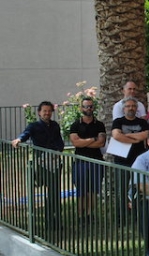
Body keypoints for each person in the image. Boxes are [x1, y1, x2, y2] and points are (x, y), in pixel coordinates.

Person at [12, 101, 65, 237]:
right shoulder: (34, 126)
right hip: (41, 162)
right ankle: (41, 222)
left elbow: (59, 142)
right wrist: (19, 140)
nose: (47, 113)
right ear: (39, 112)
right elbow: (26, 134)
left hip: (54, 161)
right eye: (44, 111)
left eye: (49, 111)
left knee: (54, 193)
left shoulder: (55, 125)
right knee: (44, 188)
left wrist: (58, 150)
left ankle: (55, 222)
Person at [111, 97, 149, 225]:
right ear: (123, 108)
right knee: (121, 190)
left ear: (137, 108)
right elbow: (116, 135)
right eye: (128, 106)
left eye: (133, 106)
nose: (131, 108)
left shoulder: (143, 122)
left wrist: (125, 136)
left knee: (139, 189)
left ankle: (137, 216)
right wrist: (135, 139)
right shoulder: (118, 121)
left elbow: (145, 135)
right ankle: (121, 218)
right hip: (121, 161)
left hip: (138, 161)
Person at [68, 96, 106, 225]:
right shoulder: (75, 125)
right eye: (86, 106)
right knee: (81, 190)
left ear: (93, 108)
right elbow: (75, 143)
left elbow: (101, 143)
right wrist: (92, 140)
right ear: (81, 108)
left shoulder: (99, 124)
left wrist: (84, 142)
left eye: (90, 106)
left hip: (96, 161)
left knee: (93, 190)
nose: (88, 108)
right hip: (80, 161)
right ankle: (80, 216)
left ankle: (90, 215)